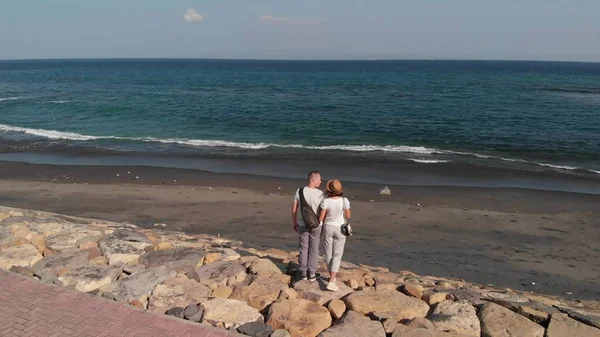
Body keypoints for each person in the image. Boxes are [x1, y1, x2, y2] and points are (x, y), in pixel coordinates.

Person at [292, 171, 325, 281]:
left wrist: (294, 222)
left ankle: (303, 273)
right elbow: (323, 211)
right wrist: (321, 222)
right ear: (313, 179)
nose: (321, 181)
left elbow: (294, 210)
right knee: (314, 249)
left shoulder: (299, 191)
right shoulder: (321, 194)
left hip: (302, 223)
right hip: (316, 224)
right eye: (319, 179)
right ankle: (312, 273)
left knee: (303, 248)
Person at [318, 179, 351, 291]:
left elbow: (321, 217)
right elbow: (348, 215)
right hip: (340, 227)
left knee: (328, 253)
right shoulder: (344, 200)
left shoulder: (326, 201)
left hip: (328, 226)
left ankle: (331, 276)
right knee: (337, 254)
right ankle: (332, 280)